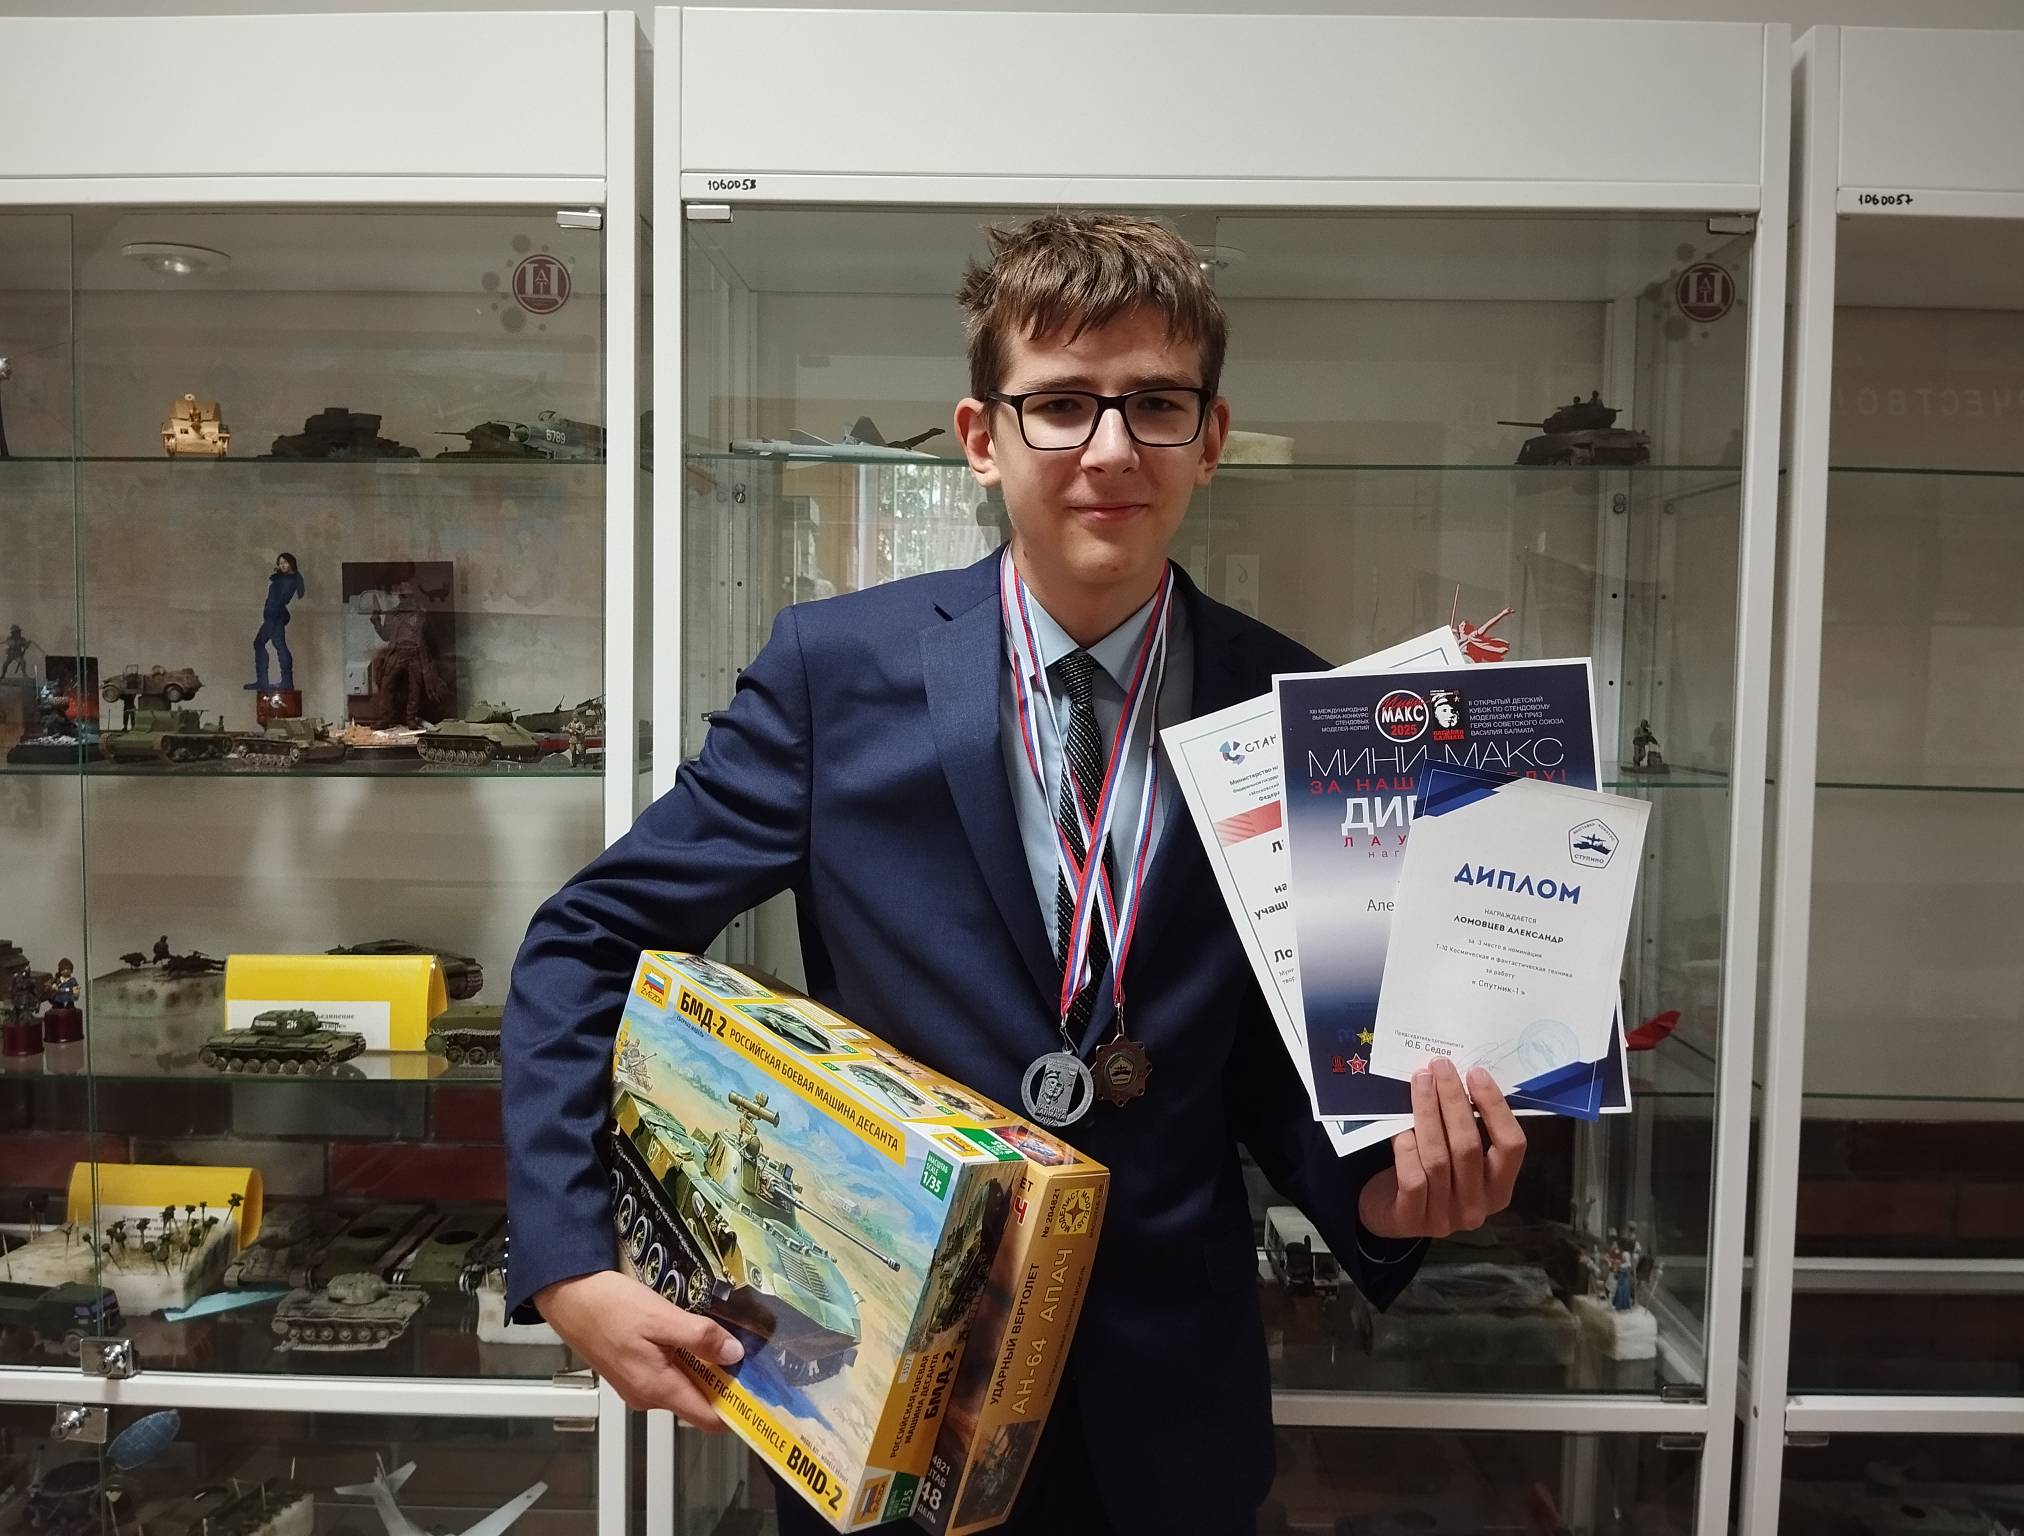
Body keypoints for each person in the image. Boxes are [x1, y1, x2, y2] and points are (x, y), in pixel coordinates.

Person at [501, 213, 1527, 1535]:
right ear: (982, 438)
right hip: (882, 1394)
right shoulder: (835, 674)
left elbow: (1273, 1059)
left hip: (1170, 1420)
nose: (1110, 449)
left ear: (1211, 437)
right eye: (1060, 405)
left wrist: (1386, 1194)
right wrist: (572, 1259)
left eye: (1156, 403)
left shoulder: (1299, 709)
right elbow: (588, 940)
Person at [249, 553, 304, 691]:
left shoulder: (289, 580)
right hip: (273, 615)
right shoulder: (285, 578)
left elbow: (280, 598)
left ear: (291, 562)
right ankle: (276, 681)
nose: (282, 565)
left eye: (285, 562)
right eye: (280, 563)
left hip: (274, 615)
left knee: (270, 644)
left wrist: (272, 613)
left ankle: (275, 681)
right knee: (276, 645)